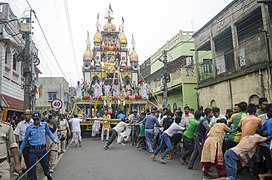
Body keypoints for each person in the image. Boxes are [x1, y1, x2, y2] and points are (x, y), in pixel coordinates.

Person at [19, 112, 57, 180]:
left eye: (38, 119)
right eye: (35, 119)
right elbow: (25, 140)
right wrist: (20, 150)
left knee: (45, 166)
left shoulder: (44, 125)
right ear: (33, 119)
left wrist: (54, 140)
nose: (36, 121)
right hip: (32, 150)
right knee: (32, 168)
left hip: (42, 150)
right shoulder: (29, 128)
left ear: (40, 119)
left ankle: (48, 175)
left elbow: (49, 133)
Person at [0, 105, 22, 180]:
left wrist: (17, 163)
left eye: (0, 112)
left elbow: (12, 145)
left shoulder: (7, 127)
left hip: (2, 165)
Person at [14, 109, 33, 173]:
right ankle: (29, 174)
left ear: (31, 115)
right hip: (24, 144)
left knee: (32, 160)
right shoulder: (20, 124)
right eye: (25, 114)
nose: (26, 116)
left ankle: (32, 173)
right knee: (26, 159)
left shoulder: (34, 123)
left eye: (28, 114)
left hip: (33, 144)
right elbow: (16, 134)